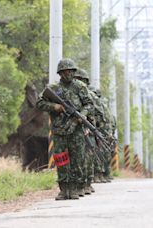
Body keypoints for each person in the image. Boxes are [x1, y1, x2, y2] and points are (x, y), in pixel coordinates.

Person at [36, 59, 93, 200]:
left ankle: (74, 188)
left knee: (77, 159)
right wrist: (54, 107)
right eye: (65, 71)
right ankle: (63, 189)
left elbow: (89, 104)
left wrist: (82, 115)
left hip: (76, 128)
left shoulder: (80, 87)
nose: (68, 74)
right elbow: (39, 103)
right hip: (59, 129)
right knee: (61, 159)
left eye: (70, 71)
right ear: (60, 73)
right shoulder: (53, 88)